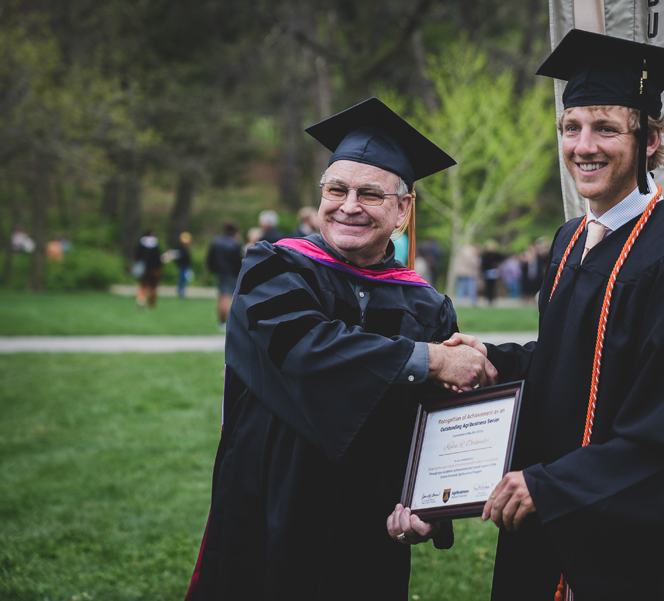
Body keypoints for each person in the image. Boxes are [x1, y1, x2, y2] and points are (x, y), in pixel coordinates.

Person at [441, 31, 664, 599]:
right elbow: (567, 364)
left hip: (627, 550)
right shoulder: (571, 239)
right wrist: (487, 361)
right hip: (550, 515)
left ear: (649, 140)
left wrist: (555, 488)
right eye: (571, 127)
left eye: (605, 129)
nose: (584, 146)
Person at [185, 98, 497, 600]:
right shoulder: (272, 268)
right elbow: (306, 347)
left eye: (370, 194)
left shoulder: (427, 304)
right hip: (271, 496)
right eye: (337, 189)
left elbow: (435, 425)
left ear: (403, 210)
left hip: (368, 514)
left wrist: (429, 509)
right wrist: (432, 358)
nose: (348, 205)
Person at [205, 221, 243, 331]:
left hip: (219, 272)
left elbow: (210, 258)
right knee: (226, 296)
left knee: (221, 296)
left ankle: (221, 320)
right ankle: (224, 321)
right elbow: (238, 260)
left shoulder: (216, 241)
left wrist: (212, 269)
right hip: (230, 273)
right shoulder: (234, 244)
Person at [134, 229, 163, 310]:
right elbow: (158, 258)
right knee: (153, 287)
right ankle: (151, 304)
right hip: (155, 269)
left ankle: (141, 300)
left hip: (144, 269)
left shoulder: (141, 244)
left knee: (143, 285)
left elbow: (137, 256)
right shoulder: (155, 244)